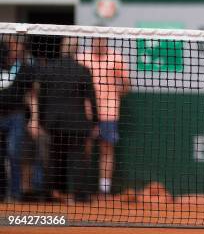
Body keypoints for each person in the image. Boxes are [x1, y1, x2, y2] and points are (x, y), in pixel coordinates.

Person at [29, 37, 97, 203]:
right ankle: (80, 195)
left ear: (61, 48)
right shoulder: (83, 70)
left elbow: (41, 97)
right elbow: (92, 99)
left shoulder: (48, 70)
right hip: (77, 123)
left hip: (54, 123)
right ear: (76, 49)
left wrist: (41, 121)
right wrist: (95, 122)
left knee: (53, 159)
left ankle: (48, 194)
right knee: (78, 160)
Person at [77, 37, 130, 196]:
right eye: (96, 40)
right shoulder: (82, 58)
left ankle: (104, 189)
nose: (99, 43)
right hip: (86, 113)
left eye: (102, 40)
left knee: (107, 150)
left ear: (106, 41)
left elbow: (127, 85)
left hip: (109, 112)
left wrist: (113, 97)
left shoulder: (116, 58)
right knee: (84, 150)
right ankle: (82, 188)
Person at [0, 36, 34, 202]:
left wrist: (34, 120)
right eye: (10, 44)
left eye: (16, 44)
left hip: (16, 116)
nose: (12, 47)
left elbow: (32, 94)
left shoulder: (26, 68)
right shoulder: (1, 64)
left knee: (14, 153)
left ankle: (15, 193)